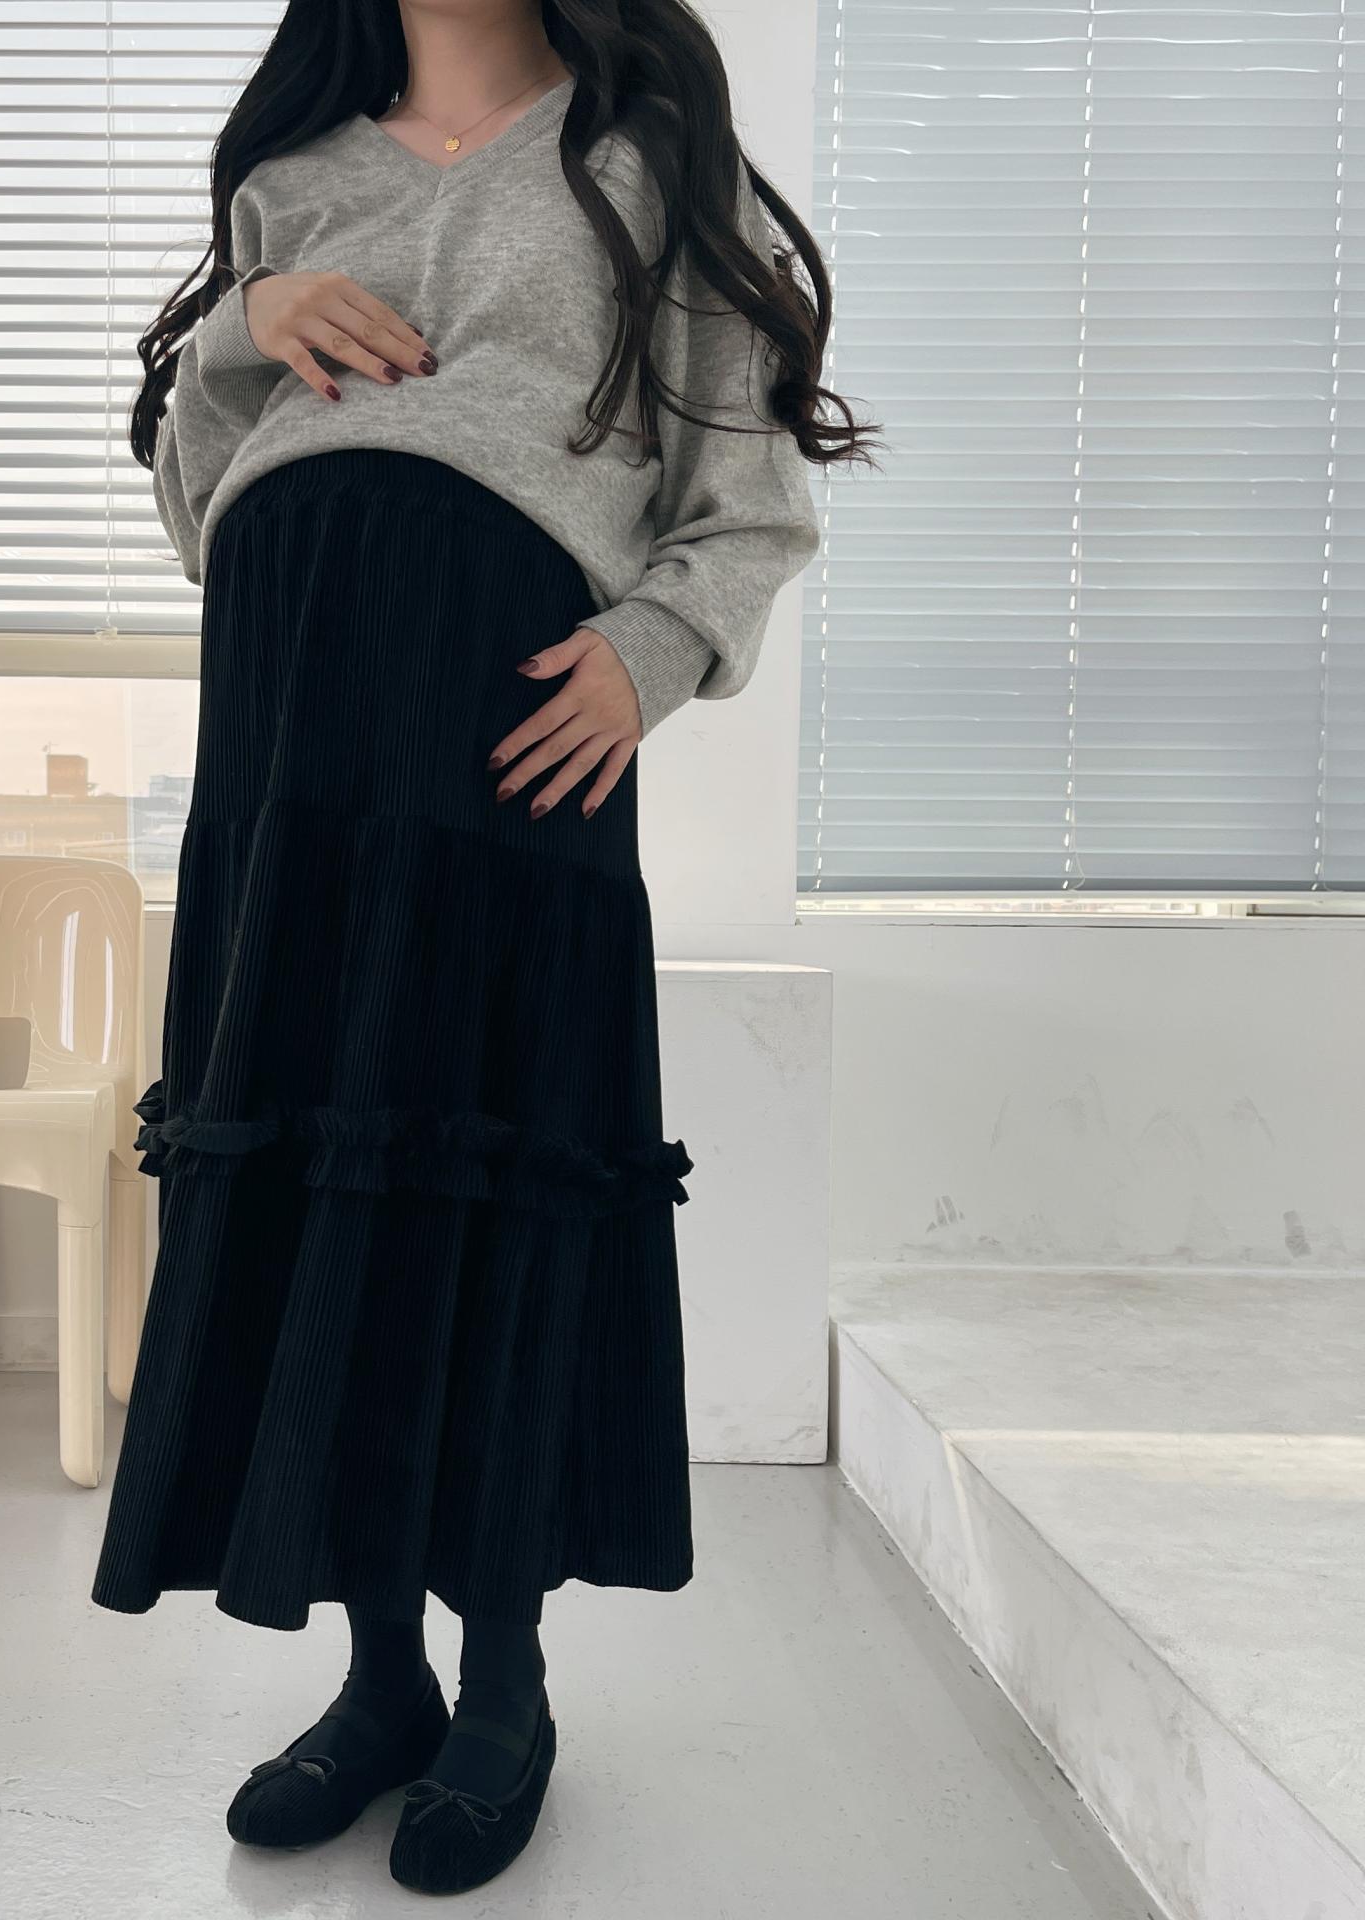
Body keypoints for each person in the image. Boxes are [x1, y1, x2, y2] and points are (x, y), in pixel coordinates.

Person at [91, 0, 875, 1894]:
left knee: (485, 1174)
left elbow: (746, 497)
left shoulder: (644, 166)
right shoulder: (293, 180)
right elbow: (200, 507)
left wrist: (651, 651)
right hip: (286, 754)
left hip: (503, 743)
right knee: (323, 1176)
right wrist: (245, 322)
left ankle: (505, 1685)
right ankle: (382, 1683)